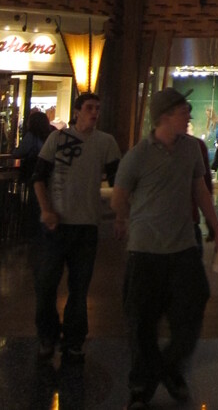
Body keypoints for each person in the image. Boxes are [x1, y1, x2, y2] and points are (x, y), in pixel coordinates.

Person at [111, 87, 218, 410]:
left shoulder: (191, 148)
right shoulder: (138, 155)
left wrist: (217, 231)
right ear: (165, 117)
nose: (189, 115)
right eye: (183, 110)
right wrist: (131, 219)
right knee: (141, 320)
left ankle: (167, 367)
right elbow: (119, 197)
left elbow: (200, 190)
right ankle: (142, 386)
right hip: (145, 251)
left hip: (183, 247)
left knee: (193, 306)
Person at [32, 92, 121, 363]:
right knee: (46, 285)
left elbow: (119, 181)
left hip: (86, 225)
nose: (94, 113)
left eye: (98, 108)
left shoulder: (105, 142)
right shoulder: (57, 139)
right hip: (56, 225)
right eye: (89, 108)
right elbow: (39, 177)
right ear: (77, 111)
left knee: (79, 289)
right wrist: (46, 209)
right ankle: (48, 335)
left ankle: (73, 340)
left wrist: (122, 213)